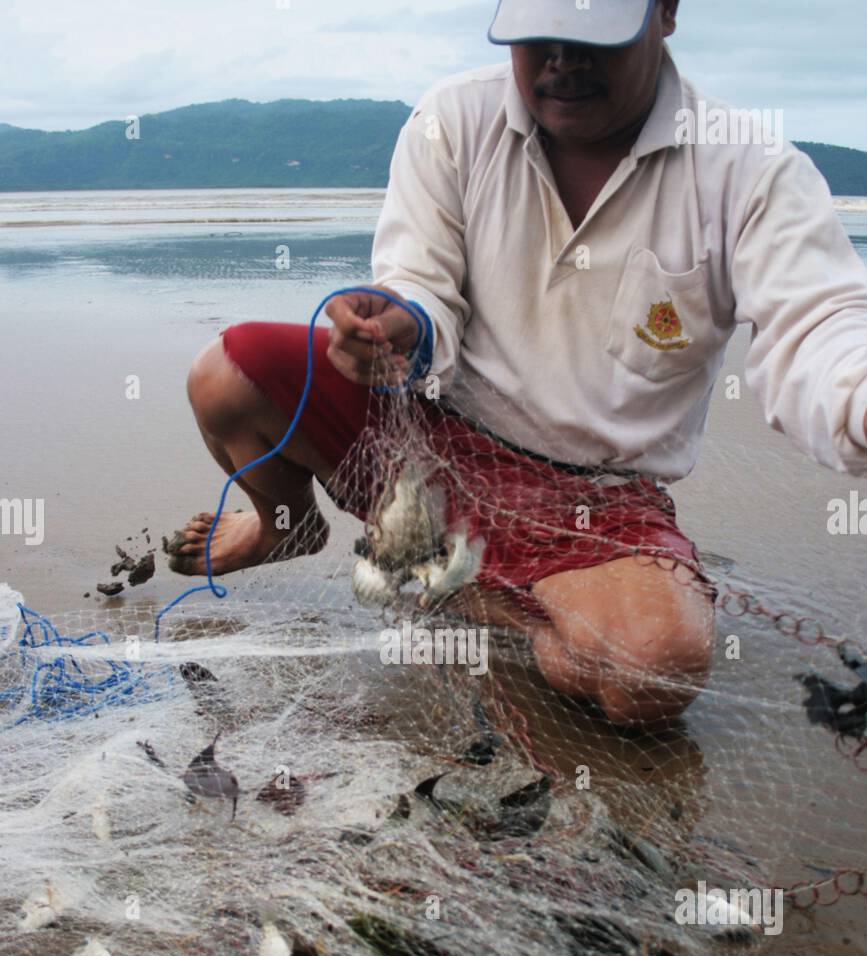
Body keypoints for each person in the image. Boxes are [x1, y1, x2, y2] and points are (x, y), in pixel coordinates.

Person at [167, 0, 867, 725]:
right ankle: (286, 525)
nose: (561, 62)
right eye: (539, 38)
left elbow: (819, 324)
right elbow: (419, 279)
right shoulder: (450, 119)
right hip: (428, 436)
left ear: (665, 12)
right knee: (227, 371)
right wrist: (400, 323)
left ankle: (469, 587)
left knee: (652, 673)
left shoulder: (752, 170)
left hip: (597, 501)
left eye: (590, 38)